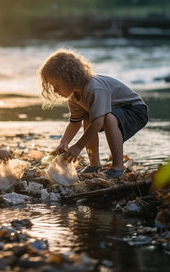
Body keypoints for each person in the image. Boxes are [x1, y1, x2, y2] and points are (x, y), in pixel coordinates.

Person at [39, 49, 148, 178]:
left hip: (134, 110)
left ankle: (118, 166)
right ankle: (94, 164)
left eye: (56, 85)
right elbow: (75, 123)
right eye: (52, 87)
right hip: (114, 111)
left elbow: (98, 123)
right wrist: (64, 142)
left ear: (69, 78)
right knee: (87, 118)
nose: (55, 90)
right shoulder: (74, 96)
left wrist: (78, 147)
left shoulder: (94, 88)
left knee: (108, 118)